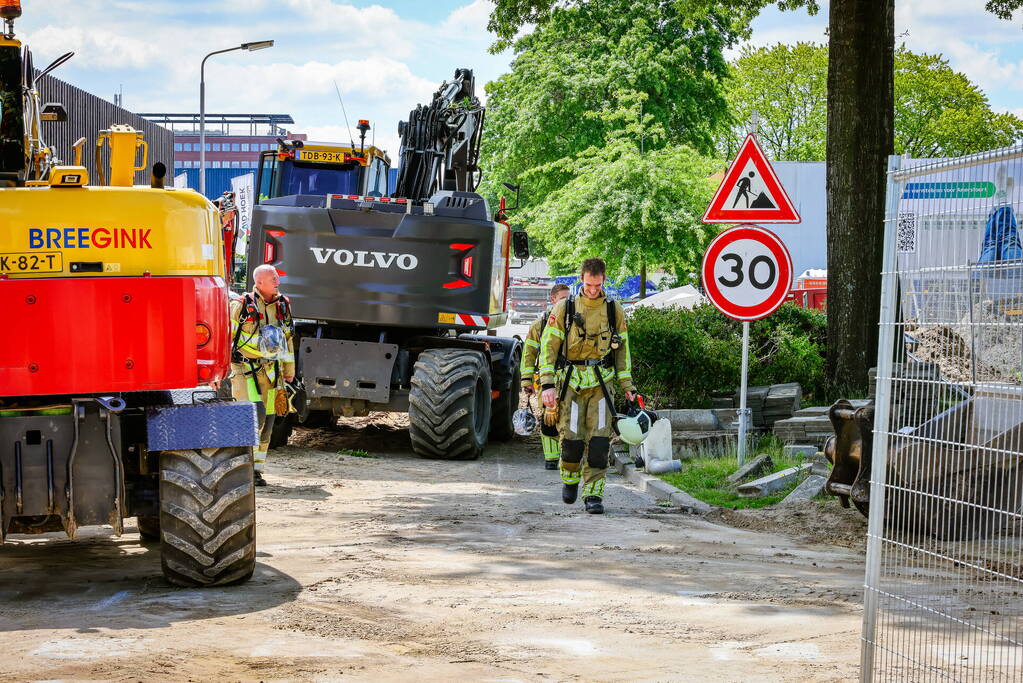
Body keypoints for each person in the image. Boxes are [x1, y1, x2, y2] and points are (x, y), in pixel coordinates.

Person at [539, 258, 636, 514]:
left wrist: (627, 385)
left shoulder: (614, 309)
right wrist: (546, 384)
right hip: (570, 383)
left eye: (598, 285)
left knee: (599, 443)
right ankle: (570, 479)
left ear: (604, 280)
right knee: (571, 442)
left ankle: (594, 494)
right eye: (589, 284)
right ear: (581, 279)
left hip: (601, 385)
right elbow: (548, 348)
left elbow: (622, 351)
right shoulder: (564, 308)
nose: (593, 290)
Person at [230, 264, 295, 487]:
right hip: (245, 372)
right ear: (259, 283)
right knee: (250, 419)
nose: (277, 281)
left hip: (271, 375)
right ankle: (240, 469)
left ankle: (256, 471)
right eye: (272, 278)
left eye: (277, 277)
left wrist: (289, 372)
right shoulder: (241, 306)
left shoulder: (283, 306)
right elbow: (227, 341)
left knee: (268, 423)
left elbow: (287, 340)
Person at [519, 283, 571, 470]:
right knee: (548, 418)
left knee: (569, 417)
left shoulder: (575, 321)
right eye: (563, 298)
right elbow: (529, 354)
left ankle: (568, 456)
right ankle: (551, 458)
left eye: (569, 298)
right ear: (553, 300)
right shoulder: (539, 325)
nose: (567, 302)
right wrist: (527, 381)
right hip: (548, 379)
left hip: (571, 378)